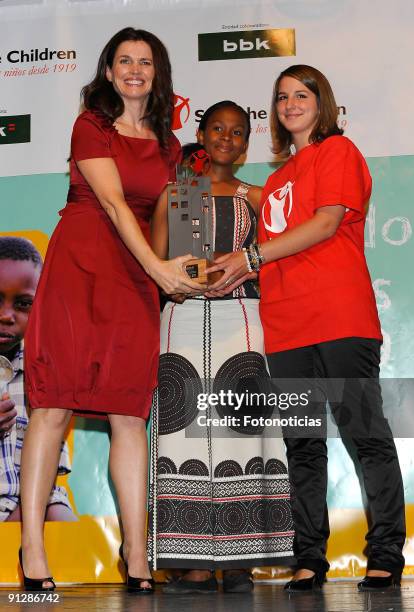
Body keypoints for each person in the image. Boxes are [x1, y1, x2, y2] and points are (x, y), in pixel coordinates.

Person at [207, 66, 406, 592]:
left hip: (341, 318)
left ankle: (386, 551)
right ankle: (310, 558)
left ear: (323, 102)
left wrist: (247, 256)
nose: (290, 104)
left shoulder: (340, 152)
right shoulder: (274, 181)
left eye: (301, 94)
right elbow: (265, 245)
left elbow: (323, 224)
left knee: (366, 436)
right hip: (287, 326)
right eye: (281, 97)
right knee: (303, 444)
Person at [19, 27, 202, 593]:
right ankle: (32, 548)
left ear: (159, 74)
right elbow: (115, 204)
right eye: (124, 60)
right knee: (53, 407)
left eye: (145, 62)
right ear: (107, 70)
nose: (134, 70)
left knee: (130, 414)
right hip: (82, 266)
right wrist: (159, 269)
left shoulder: (172, 146)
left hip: (135, 277)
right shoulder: (89, 125)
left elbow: (178, 220)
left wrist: (190, 268)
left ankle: (138, 554)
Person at [150, 101, 294, 594]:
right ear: (203, 134)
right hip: (182, 321)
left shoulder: (259, 197)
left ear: (246, 141)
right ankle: (190, 564)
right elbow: (155, 264)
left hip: (243, 320)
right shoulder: (177, 193)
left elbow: (278, 259)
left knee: (242, 433)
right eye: (218, 129)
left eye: (237, 132)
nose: (227, 138)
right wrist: (176, 284)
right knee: (181, 430)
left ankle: (239, 562)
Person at [0, 237, 76, 523]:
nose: (6, 315)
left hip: (34, 498)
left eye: (22, 304)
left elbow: (50, 471)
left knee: (60, 517)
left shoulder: (44, 370)